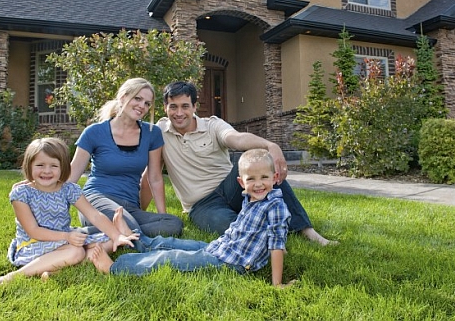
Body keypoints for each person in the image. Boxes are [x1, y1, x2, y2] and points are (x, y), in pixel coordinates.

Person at [141, 80, 334, 246]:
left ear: (194, 107)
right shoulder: (159, 133)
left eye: (185, 106)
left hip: (233, 186)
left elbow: (238, 139)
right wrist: (144, 214)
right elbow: (151, 176)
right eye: (173, 107)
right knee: (230, 228)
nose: (179, 113)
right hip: (201, 205)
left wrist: (270, 145)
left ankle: (306, 230)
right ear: (165, 108)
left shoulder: (212, 125)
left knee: (265, 166)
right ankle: (263, 230)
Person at [91, 149, 295, 287]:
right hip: (223, 247)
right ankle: (137, 240)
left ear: (275, 178)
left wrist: (277, 284)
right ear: (241, 182)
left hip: (233, 262)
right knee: (173, 243)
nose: (258, 184)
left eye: (265, 178)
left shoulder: (275, 207)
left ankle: (115, 268)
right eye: (252, 179)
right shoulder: (251, 197)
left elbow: (276, 246)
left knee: (172, 258)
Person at [0, 137, 138, 284]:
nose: (46, 171)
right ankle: (18, 274)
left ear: (63, 167)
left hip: (64, 241)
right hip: (34, 244)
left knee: (109, 241)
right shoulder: (21, 194)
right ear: (29, 166)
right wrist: (66, 236)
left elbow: (94, 215)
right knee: (77, 251)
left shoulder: (68, 189)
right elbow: (33, 231)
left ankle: (55, 271)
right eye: (40, 165)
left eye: (54, 166)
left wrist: (116, 236)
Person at [69, 78, 183, 237]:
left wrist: (162, 216)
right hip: (96, 199)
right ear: (122, 97)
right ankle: (118, 232)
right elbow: (71, 177)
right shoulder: (94, 132)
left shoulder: (152, 133)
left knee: (173, 224)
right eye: (138, 98)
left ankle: (90, 234)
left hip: (130, 206)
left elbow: (155, 178)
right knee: (127, 224)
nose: (142, 106)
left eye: (147, 103)